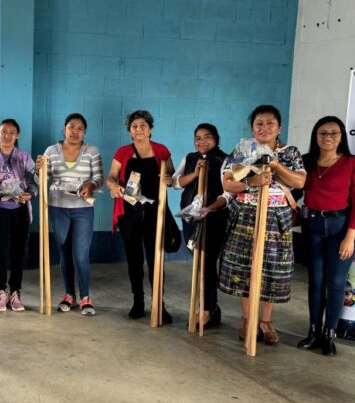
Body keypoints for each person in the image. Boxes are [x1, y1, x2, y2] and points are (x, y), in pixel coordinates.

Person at [219, 105, 306, 345]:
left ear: (279, 128)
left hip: (277, 219)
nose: (264, 128)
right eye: (259, 123)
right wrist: (252, 181)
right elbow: (228, 183)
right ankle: (247, 319)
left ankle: (265, 322)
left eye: (270, 123)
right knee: (244, 269)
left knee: (272, 270)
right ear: (252, 128)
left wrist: (276, 166)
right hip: (246, 215)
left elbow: (300, 181)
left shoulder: (290, 152)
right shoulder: (242, 150)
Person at [297, 115, 355, 356]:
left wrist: (350, 237)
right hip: (312, 226)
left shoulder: (352, 163)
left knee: (335, 283)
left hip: (341, 228)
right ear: (315, 136)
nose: (328, 137)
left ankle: (329, 334)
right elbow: (294, 190)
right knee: (315, 282)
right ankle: (314, 331)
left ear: (341, 137)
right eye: (323, 133)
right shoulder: (306, 162)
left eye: (334, 133)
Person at [106, 110, 175, 322]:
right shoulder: (123, 152)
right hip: (129, 213)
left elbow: (172, 175)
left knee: (156, 260)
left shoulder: (161, 150)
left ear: (150, 129)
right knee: (134, 259)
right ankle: (138, 301)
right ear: (129, 131)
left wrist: (169, 178)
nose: (139, 129)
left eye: (143, 125)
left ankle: (159, 304)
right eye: (134, 126)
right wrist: (113, 186)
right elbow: (111, 177)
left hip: (155, 212)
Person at [35, 113, 104, 315]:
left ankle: (85, 297)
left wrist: (90, 185)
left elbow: (99, 177)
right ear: (64, 129)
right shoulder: (51, 151)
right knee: (64, 252)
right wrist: (38, 170)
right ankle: (69, 295)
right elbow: (41, 180)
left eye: (79, 128)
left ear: (84, 132)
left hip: (83, 208)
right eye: (71, 127)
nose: (75, 132)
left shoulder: (91, 151)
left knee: (80, 255)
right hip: (58, 207)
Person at [173, 123, 228, 329]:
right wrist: (195, 174)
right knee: (198, 260)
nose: (202, 141)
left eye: (207, 137)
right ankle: (211, 308)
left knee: (207, 262)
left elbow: (228, 191)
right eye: (198, 138)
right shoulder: (190, 158)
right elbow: (176, 182)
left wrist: (210, 208)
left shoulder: (224, 160)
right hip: (190, 217)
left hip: (213, 217)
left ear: (216, 139)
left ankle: (207, 309)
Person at [0, 119, 37, 312]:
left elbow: (34, 183)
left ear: (17, 135)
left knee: (18, 252)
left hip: (20, 210)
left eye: (12, 132)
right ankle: (0, 291)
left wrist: (30, 194)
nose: (7, 136)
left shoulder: (24, 157)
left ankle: (15, 292)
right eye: (4, 131)